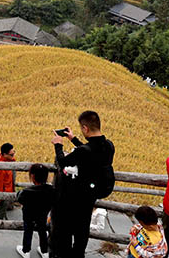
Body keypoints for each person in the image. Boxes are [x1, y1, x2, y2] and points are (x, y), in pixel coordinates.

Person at [50, 110, 115, 258]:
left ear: (85, 128)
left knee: (65, 231)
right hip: (92, 196)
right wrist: (73, 139)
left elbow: (63, 162)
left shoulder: (85, 152)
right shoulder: (109, 145)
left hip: (75, 197)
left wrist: (58, 145)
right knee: (82, 231)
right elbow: (89, 151)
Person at [15, 163, 54, 258]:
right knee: (42, 230)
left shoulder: (26, 192)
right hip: (43, 214)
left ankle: (26, 250)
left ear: (32, 176)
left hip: (29, 215)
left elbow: (19, 198)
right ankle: (44, 251)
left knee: (28, 231)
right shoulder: (51, 190)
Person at [0, 142, 16, 219]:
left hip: (6, 193)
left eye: (14, 152)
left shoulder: (5, 160)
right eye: (11, 155)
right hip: (3, 196)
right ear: (4, 154)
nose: (13, 155)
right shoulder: (0, 170)